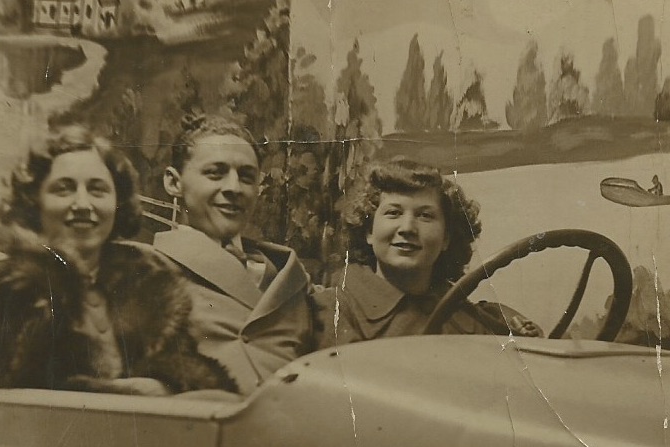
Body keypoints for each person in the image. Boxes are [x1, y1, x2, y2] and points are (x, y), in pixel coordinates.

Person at [0, 125, 237, 399]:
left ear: (117, 203)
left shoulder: (150, 281)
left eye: (98, 190)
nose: (83, 204)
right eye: (64, 189)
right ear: (35, 201)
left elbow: (190, 376)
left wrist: (163, 387)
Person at [154, 114, 314, 394]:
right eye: (215, 173)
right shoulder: (148, 269)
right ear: (174, 183)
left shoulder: (288, 275)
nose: (234, 188)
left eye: (246, 177)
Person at [313, 158, 542, 350]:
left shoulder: (465, 313)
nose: (407, 228)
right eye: (393, 213)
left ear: (446, 239)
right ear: (368, 232)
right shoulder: (333, 310)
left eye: (425, 216)